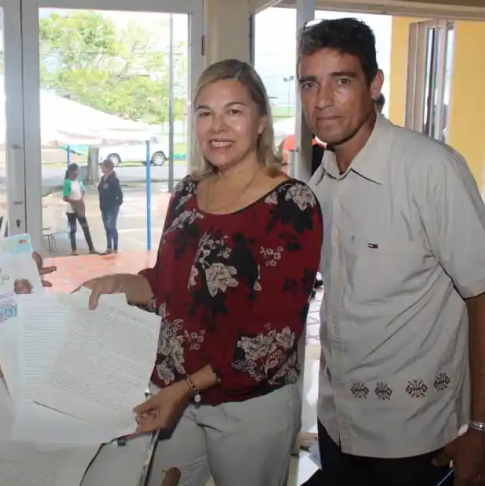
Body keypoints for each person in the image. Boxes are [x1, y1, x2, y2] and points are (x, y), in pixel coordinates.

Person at [82, 59, 323, 486]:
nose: (218, 127)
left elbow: (272, 337)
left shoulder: (292, 204)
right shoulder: (187, 192)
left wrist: (187, 387)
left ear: (261, 122)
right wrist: (119, 284)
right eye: (205, 113)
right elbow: (167, 286)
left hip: (248, 404)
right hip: (173, 391)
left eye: (234, 111)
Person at [299, 18, 485, 486]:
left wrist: (480, 428)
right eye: (309, 84)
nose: (322, 100)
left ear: (374, 84)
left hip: (417, 436)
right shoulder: (318, 185)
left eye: (341, 81)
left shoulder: (431, 170)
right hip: (337, 424)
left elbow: (482, 296)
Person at [63, 163, 95, 255]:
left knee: (85, 228)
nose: (77, 173)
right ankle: (74, 250)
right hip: (71, 210)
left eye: (78, 171)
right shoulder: (67, 183)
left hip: (80, 209)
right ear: (71, 172)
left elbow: (83, 191)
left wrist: (81, 199)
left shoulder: (79, 181)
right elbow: (65, 198)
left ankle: (91, 248)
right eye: (76, 171)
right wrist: (76, 202)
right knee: (73, 230)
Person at [98, 158, 123, 254]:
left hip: (112, 207)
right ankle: (109, 247)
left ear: (107, 167)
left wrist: (117, 203)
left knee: (111, 226)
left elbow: (119, 194)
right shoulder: (102, 179)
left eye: (102, 166)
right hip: (103, 206)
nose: (101, 167)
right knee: (107, 227)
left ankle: (115, 247)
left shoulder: (114, 180)